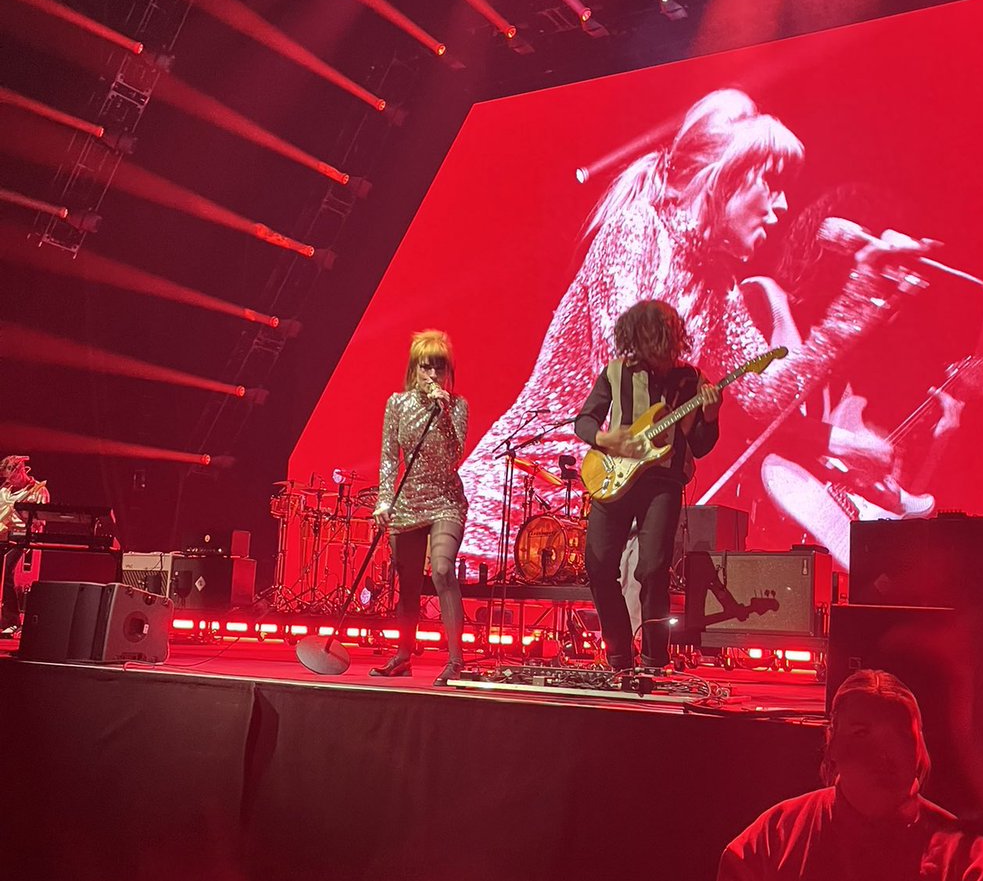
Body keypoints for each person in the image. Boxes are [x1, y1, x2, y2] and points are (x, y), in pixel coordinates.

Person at [457, 88, 930, 567]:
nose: (782, 206)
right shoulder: (637, 229)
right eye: (772, 184)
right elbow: (624, 374)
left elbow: (766, 396)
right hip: (514, 500)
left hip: (593, 513)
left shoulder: (717, 282)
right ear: (728, 177)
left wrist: (861, 293)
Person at [718, 669, 983, 881]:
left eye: (900, 737)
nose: (883, 755)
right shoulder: (772, 840)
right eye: (862, 734)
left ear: (920, 749)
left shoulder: (967, 860)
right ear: (832, 743)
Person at [574, 300, 723, 671]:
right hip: (613, 478)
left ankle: (655, 658)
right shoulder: (614, 373)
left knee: (653, 568)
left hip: (662, 482)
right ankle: (619, 654)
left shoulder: (690, 380)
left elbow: (700, 446)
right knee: (599, 566)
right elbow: (584, 422)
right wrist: (609, 440)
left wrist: (711, 414)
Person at [371, 330, 469, 685]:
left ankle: (456, 660)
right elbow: (387, 457)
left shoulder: (457, 406)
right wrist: (384, 500)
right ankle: (403, 655)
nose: (432, 375)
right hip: (408, 501)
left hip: (445, 499)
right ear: (414, 369)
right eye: (426, 367)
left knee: (442, 570)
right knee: (407, 583)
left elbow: (454, 457)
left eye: (439, 368)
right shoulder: (396, 404)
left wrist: (443, 413)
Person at [0, 454, 50, 637]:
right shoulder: (5, 489)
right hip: (2, 535)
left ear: (21, 470)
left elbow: (41, 518)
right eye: (7, 478)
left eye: (12, 476)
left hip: (21, 536)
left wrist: (32, 536)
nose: (10, 480)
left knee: (6, 573)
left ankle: (12, 620)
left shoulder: (37, 490)